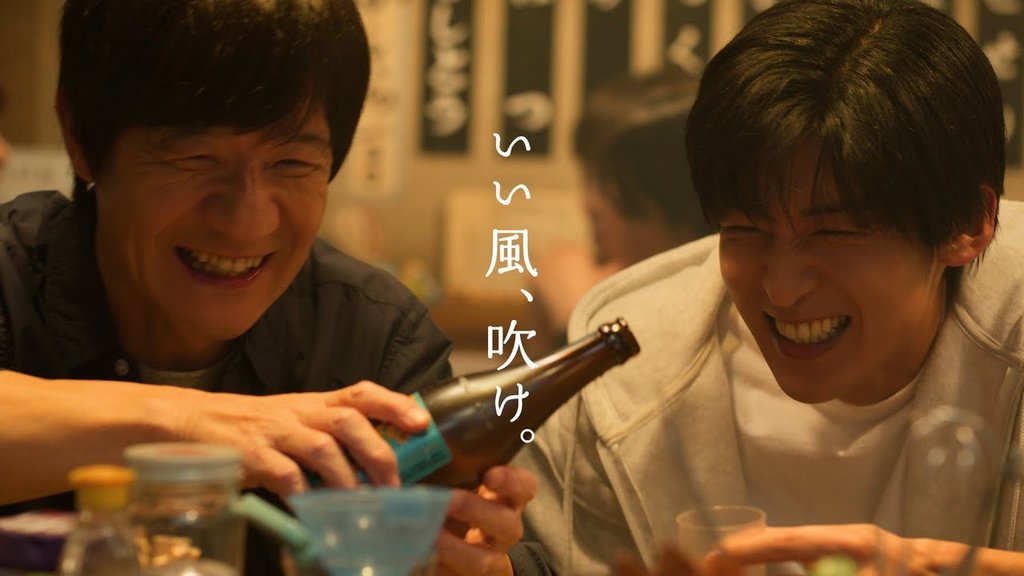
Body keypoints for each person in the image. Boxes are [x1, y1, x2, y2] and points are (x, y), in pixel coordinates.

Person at [0, 1, 545, 575]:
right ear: (80, 137)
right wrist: (189, 426)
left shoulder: (375, 340)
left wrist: (471, 561)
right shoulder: (11, 280)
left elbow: (472, 541)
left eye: (292, 163)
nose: (247, 221)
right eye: (195, 158)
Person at [514, 0, 1024, 574]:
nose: (781, 290)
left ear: (966, 223)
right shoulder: (623, 381)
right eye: (744, 229)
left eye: (833, 232)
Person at [533, 69, 712, 347]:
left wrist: (576, 319)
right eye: (588, 176)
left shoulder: (723, 312)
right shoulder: (620, 285)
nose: (588, 204)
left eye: (608, 182)